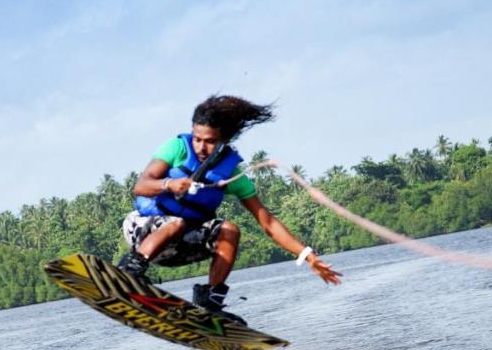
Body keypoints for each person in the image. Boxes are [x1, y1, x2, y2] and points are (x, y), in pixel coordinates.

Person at [117, 95, 342, 321]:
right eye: (197, 139)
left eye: (210, 141)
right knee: (177, 222)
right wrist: (168, 184)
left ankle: (210, 302)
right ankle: (131, 272)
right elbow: (141, 185)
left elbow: (268, 222)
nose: (201, 147)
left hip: (180, 247)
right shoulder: (176, 148)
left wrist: (307, 255)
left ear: (224, 139)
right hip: (142, 231)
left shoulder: (232, 174)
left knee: (230, 230)